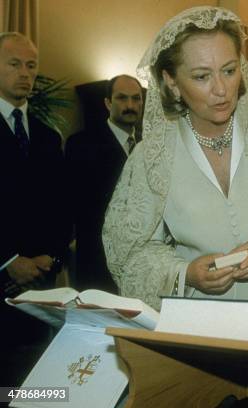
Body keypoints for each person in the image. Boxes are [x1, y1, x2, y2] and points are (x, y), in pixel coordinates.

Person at [102, 6, 248, 311]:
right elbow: (131, 253)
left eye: (229, 71)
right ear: (172, 82)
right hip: (200, 321)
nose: (221, 90)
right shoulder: (152, 155)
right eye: (202, 76)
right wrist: (185, 273)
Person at [0, 32, 70, 385]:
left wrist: (53, 257)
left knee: (37, 385)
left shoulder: (46, 136)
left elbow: (61, 206)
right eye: (14, 64)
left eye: (31, 65)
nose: (25, 73)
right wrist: (9, 261)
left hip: (41, 288)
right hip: (2, 281)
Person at [65, 75, 144, 293]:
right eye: (122, 98)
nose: (130, 105)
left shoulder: (150, 145)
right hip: (97, 264)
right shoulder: (81, 145)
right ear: (108, 103)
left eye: (136, 99)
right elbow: (73, 208)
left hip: (143, 264)